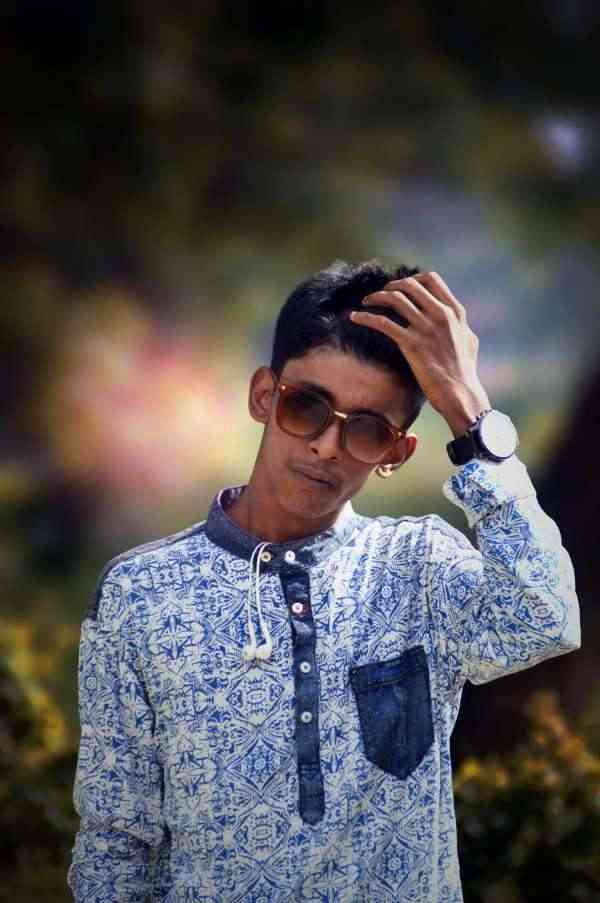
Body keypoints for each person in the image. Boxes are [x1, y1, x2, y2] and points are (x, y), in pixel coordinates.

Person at [67, 260, 581, 902]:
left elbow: (546, 618)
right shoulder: (140, 594)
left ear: (395, 452)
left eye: (367, 428)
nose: (327, 446)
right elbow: (115, 843)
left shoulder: (419, 567)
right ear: (264, 396)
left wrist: (470, 410)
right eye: (306, 405)